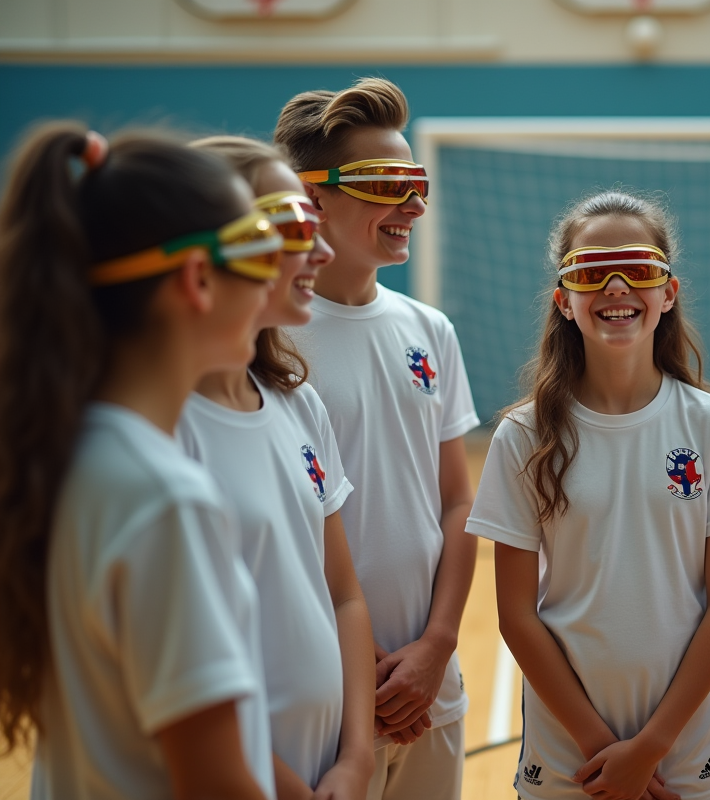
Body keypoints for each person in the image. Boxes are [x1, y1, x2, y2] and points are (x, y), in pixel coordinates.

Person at [0, 124, 280, 798]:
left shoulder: (74, 456)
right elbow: (214, 784)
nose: (277, 278)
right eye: (262, 249)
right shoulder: (163, 497)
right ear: (198, 278)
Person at [466, 191, 710, 800]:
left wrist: (652, 747)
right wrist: (604, 753)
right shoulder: (523, 436)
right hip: (568, 761)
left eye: (637, 270)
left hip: (684, 756)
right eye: (590, 273)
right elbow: (516, 616)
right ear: (564, 300)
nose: (614, 287)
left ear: (668, 292)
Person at [274, 77, 479, 800]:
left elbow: (458, 503)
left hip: (429, 691)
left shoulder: (430, 331)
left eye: (414, 181)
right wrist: (357, 661)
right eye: (386, 183)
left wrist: (437, 647)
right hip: (321, 695)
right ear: (312, 196)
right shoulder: (265, 342)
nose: (413, 203)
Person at [181, 135, 376, 800]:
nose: (321, 251)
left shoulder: (297, 404)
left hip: (325, 769)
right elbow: (180, 687)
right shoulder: (160, 432)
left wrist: (355, 759)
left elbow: (342, 591)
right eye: (294, 228)